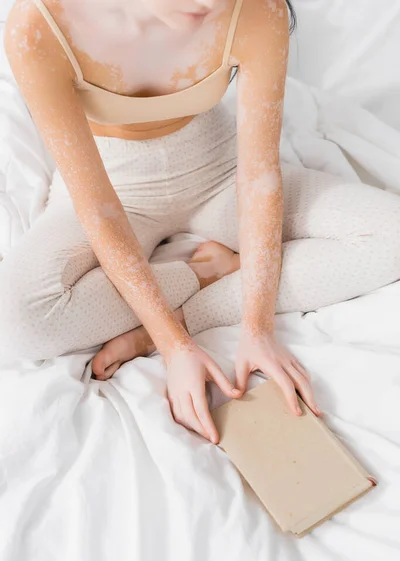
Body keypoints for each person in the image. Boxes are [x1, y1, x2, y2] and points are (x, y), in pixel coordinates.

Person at [2, 0, 400, 445]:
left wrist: (254, 327)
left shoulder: (253, 9)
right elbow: (99, 209)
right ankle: (209, 271)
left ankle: (193, 304)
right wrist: (174, 348)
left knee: (392, 235)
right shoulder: (39, 25)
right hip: (115, 185)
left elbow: (258, 177)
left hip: (217, 170)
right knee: (17, 321)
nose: (210, 3)